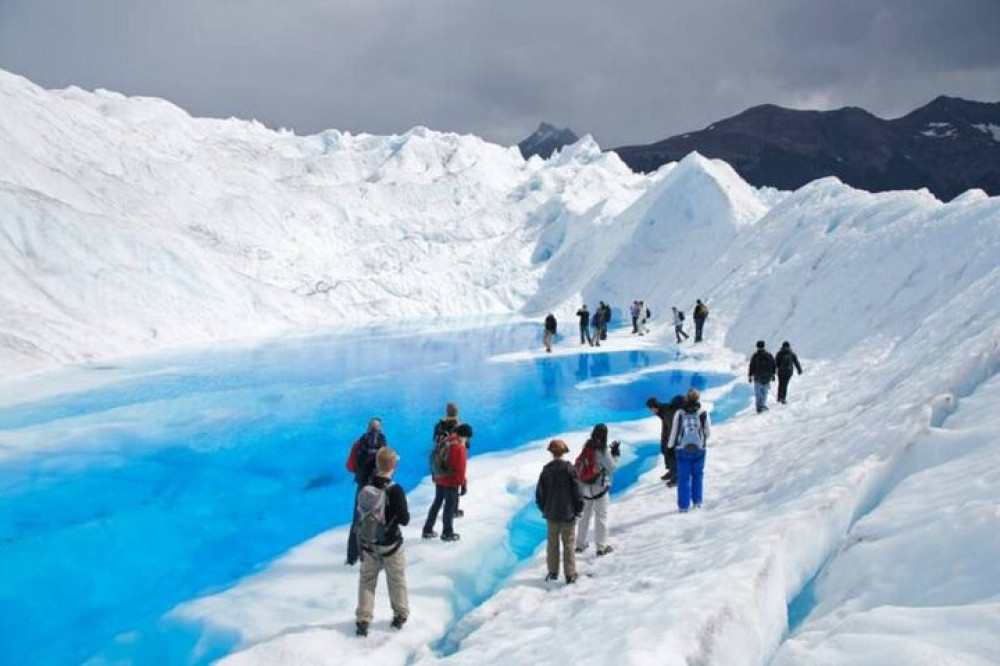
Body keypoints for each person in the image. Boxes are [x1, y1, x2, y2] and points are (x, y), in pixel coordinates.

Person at [355, 447, 409, 637]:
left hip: (369, 543)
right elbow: (404, 519)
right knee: (396, 579)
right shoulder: (395, 490)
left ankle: (363, 619)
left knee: (367, 581)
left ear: (377, 465)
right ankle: (400, 615)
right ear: (394, 466)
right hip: (391, 544)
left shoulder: (365, 489)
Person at [535, 439, 584, 584]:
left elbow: (540, 494)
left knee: (552, 544)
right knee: (568, 543)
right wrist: (578, 508)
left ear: (551, 453)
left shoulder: (546, 470)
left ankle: (553, 572)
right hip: (568, 513)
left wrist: (545, 508)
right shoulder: (570, 469)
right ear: (564, 452)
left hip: (551, 513)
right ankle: (570, 574)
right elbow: (577, 491)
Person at [345, 417, 387, 565]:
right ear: (380, 429)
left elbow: (349, 466)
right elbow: (387, 465)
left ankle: (352, 557)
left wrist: (360, 471)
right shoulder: (383, 443)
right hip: (379, 486)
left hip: (362, 486)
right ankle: (378, 554)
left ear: (367, 429)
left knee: (357, 520)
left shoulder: (359, 443)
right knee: (380, 518)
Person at [574, 424, 619, 556]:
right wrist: (615, 455)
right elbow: (613, 467)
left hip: (585, 488)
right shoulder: (602, 451)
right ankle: (601, 547)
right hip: (599, 489)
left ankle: (580, 545)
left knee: (584, 517)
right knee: (601, 517)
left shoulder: (586, 447)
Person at [422, 423, 471, 541]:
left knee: (437, 503)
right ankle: (447, 533)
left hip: (440, 478)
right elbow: (459, 468)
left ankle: (427, 530)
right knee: (449, 507)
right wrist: (462, 483)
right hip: (451, 481)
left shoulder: (446, 440)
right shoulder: (458, 447)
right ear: (463, 435)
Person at [666, 388, 711, 513]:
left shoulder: (680, 413)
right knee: (698, 475)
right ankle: (697, 502)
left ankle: (683, 506)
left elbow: (674, 432)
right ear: (697, 398)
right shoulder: (702, 412)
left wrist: (670, 447)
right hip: (699, 449)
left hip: (682, 449)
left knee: (683, 478)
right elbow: (708, 432)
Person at [433, 403, 468, 517]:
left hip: (440, 460)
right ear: (457, 412)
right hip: (455, 460)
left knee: (440, 492)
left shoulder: (439, 425)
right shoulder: (459, 426)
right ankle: (453, 509)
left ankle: (436, 514)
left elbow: (435, 441)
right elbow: (465, 444)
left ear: (446, 411)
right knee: (454, 485)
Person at [647, 395, 685, 484]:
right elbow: (666, 427)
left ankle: (676, 475)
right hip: (669, 436)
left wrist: (671, 442)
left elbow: (673, 428)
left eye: (651, 408)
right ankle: (672, 471)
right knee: (666, 451)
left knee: (672, 453)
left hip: (675, 437)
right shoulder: (663, 411)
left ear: (655, 407)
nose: (651, 411)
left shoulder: (667, 412)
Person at [748, 340, 776, 413]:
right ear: (764, 346)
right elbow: (773, 365)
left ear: (757, 347)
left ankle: (758, 407)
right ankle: (762, 405)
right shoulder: (769, 355)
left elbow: (751, 366)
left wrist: (750, 376)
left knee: (758, 394)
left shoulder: (755, 356)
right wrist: (773, 375)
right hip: (767, 378)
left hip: (757, 378)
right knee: (764, 393)